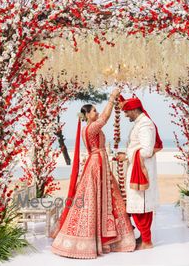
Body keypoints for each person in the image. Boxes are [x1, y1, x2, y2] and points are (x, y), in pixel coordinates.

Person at [50, 88, 136, 259]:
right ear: (88, 115)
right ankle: (92, 240)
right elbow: (105, 118)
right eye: (94, 110)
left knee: (109, 197)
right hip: (97, 164)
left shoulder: (91, 128)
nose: (97, 112)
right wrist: (111, 98)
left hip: (99, 161)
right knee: (95, 198)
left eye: (96, 110)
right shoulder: (91, 128)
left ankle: (110, 238)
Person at [117, 95, 163, 250]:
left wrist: (127, 156)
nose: (125, 115)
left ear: (135, 110)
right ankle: (144, 238)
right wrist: (128, 155)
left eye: (127, 111)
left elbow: (147, 151)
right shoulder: (140, 123)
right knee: (140, 207)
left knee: (139, 207)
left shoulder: (145, 125)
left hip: (141, 171)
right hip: (137, 167)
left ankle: (147, 242)